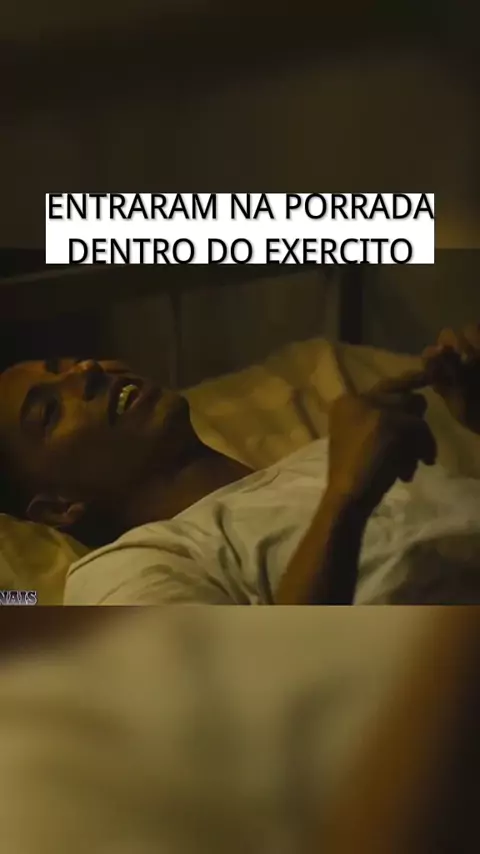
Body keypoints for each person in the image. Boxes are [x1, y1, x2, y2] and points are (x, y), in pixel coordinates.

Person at [1, 326, 480, 605]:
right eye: (49, 411)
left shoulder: (324, 457)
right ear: (59, 507)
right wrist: (346, 498)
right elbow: (255, 711)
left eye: (70, 363)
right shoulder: (121, 572)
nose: (86, 372)